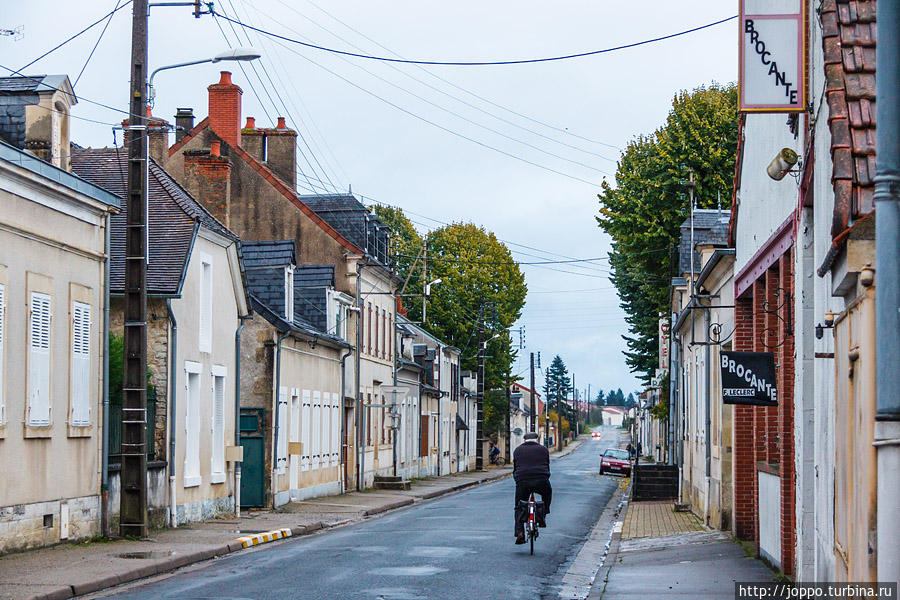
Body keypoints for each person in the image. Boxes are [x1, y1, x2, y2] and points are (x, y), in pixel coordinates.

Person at [512, 432, 551, 545]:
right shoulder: (544, 450)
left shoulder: (517, 450)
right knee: (547, 493)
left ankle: (520, 533)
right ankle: (543, 515)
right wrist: (545, 476)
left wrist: (518, 480)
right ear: (537, 440)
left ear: (525, 440)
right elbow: (547, 466)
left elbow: (515, 468)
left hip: (523, 480)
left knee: (519, 506)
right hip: (541, 479)